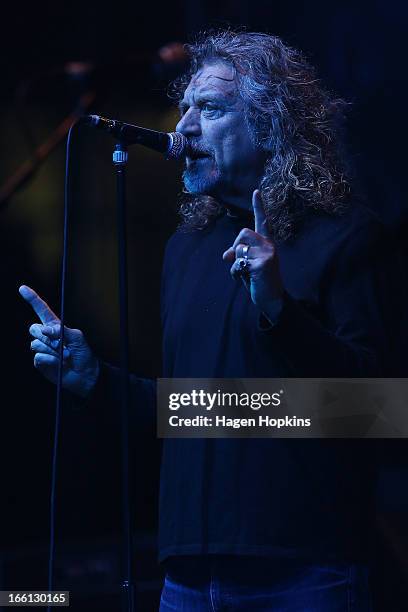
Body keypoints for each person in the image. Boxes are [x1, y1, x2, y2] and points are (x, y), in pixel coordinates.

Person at [20, 31, 397, 611]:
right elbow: (188, 411)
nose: (183, 127)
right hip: (189, 574)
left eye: (211, 109)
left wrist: (279, 313)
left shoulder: (344, 236)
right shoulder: (187, 247)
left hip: (304, 569)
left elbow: (376, 412)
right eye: (186, 106)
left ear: (273, 127)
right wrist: (96, 378)